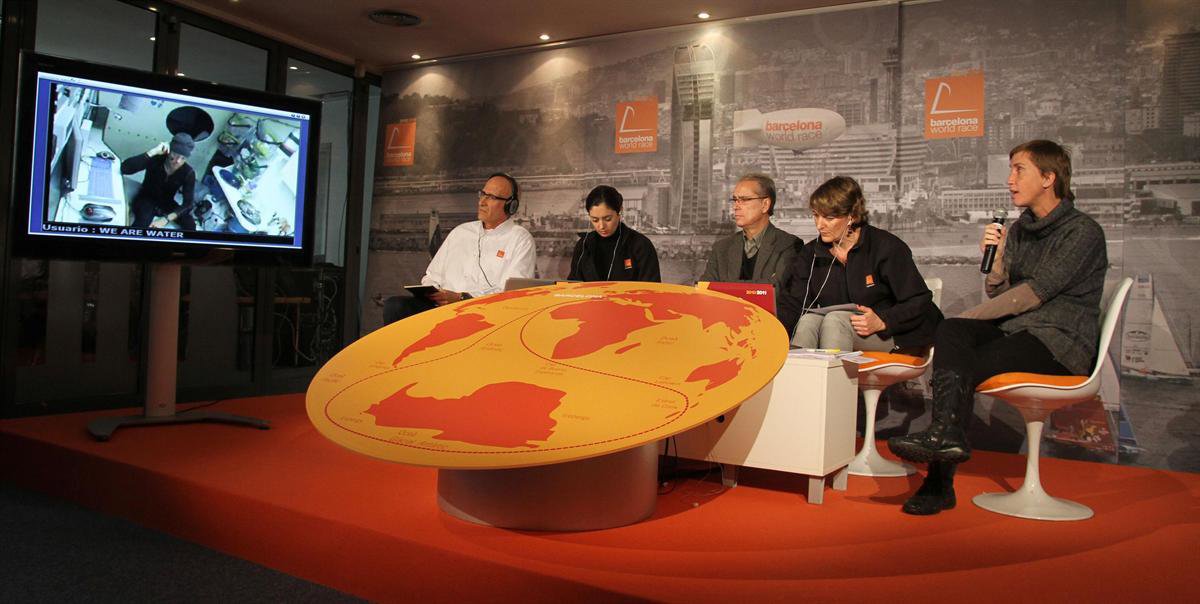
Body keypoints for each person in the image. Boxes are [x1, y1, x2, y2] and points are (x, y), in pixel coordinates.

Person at [888, 140, 1108, 515]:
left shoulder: (1082, 232)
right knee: (953, 333)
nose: (1009, 180)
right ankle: (945, 442)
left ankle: (938, 480)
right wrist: (999, 258)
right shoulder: (1020, 229)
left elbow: (1032, 295)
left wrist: (971, 316)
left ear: (1048, 177)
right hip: (1020, 332)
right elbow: (1000, 291)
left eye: (1019, 170)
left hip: (1059, 344)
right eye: (1010, 170)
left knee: (962, 349)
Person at [777, 176, 942, 353]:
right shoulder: (810, 253)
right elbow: (794, 304)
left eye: (829, 218)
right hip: (842, 327)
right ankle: (799, 372)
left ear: (852, 216)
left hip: (895, 332)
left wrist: (883, 320)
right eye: (816, 215)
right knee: (808, 321)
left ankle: (835, 372)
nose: (819, 225)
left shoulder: (886, 247)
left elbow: (919, 299)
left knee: (835, 322)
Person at [383, 173, 536, 324]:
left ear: (511, 205)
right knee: (396, 306)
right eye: (483, 194)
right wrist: (432, 293)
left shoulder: (520, 239)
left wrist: (461, 297)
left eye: (491, 197)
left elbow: (512, 293)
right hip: (441, 309)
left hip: (482, 314)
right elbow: (432, 276)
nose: (482, 202)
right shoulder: (460, 232)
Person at [700, 173, 800, 293]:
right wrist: (761, 285)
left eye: (744, 200)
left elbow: (776, 291)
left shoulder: (788, 245)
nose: (736, 206)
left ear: (765, 205)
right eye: (735, 200)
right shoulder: (721, 248)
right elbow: (705, 292)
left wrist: (724, 287)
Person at [567, 185, 660, 282]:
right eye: (595, 220)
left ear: (620, 211)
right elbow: (573, 284)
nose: (601, 226)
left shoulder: (641, 246)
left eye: (607, 219)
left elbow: (652, 288)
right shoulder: (583, 246)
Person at [121, 132, 197, 230]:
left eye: (183, 158)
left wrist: (166, 219)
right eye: (175, 154)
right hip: (147, 198)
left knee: (190, 224)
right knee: (143, 222)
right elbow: (125, 168)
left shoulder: (188, 172)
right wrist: (152, 152)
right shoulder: (156, 159)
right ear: (170, 150)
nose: (178, 161)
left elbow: (188, 204)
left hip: (167, 202)